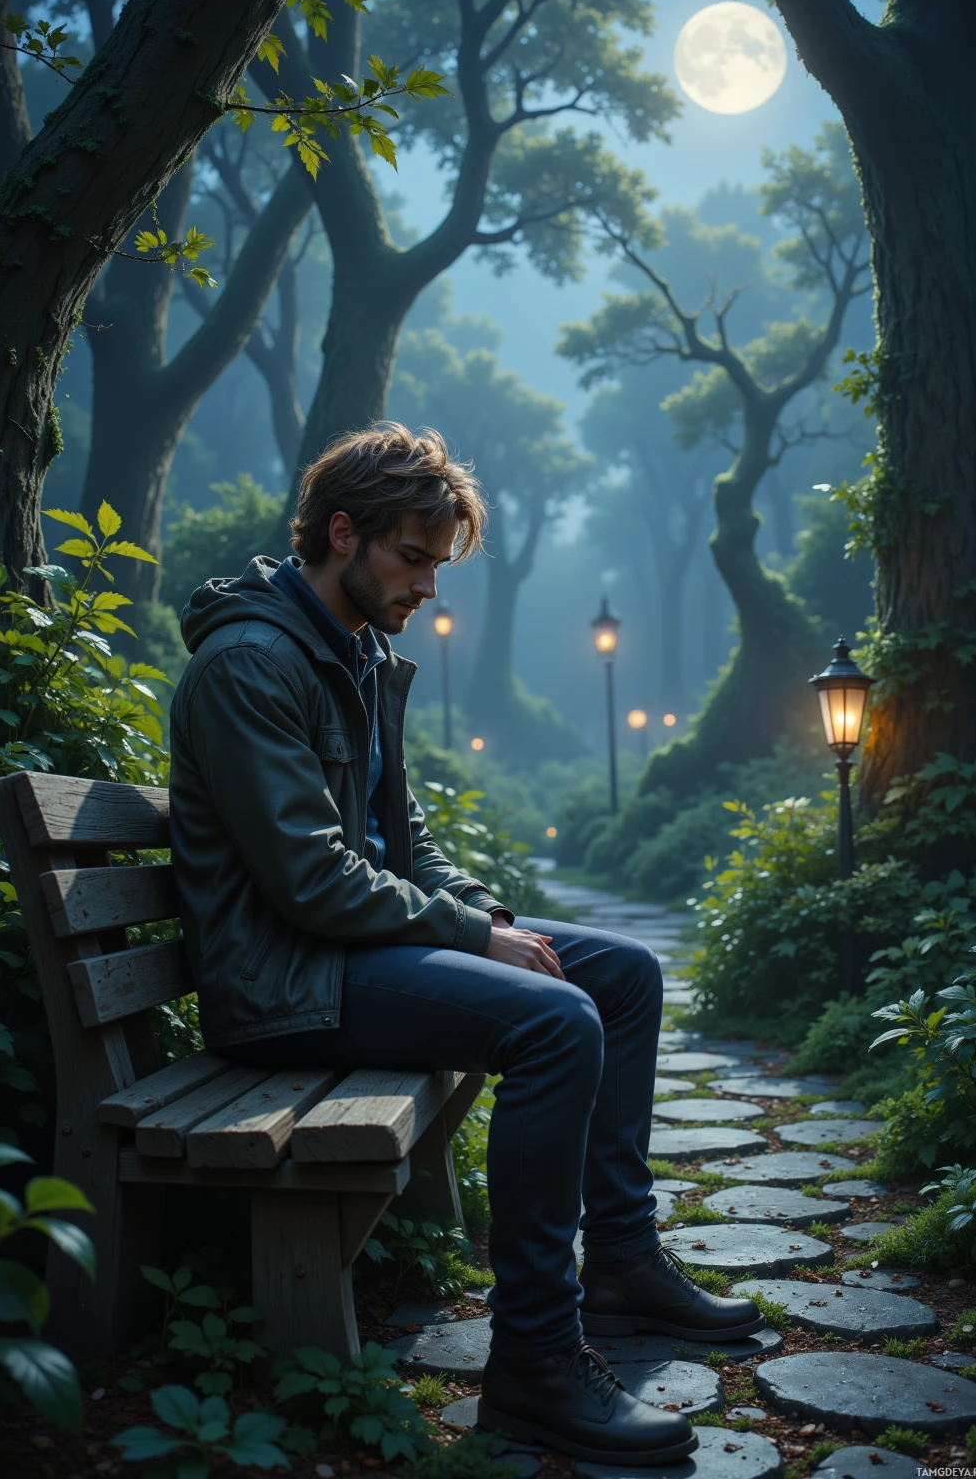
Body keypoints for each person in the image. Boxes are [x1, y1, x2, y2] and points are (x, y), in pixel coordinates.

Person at [168, 422, 763, 1465]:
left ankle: (621, 1259)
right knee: (555, 1022)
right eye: (412, 559)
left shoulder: (352, 650)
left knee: (619, 973)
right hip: (283, 984)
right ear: (340, 533)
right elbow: (307, 879)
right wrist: (471, 940)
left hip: (343, 955)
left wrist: (481, 917)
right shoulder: (251, 665)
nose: (429, 589)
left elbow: (409, 840)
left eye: (437, 566)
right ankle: (533, 1361)